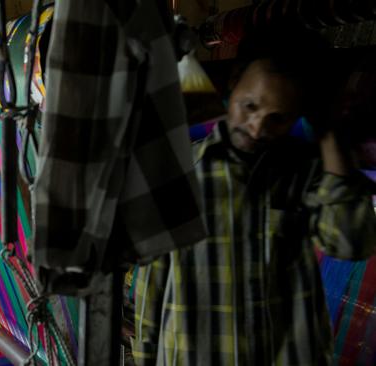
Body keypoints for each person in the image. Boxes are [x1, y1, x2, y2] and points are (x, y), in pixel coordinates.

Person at [132, 24, 376, 365]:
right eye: (250, 106)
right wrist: (144, 357)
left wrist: (327, 131)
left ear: (297, 115)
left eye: (278, 118)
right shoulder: (181, 173)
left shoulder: (305, 174)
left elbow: (352, 242)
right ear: (233, 82)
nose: (257, 126)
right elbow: (151, 280)